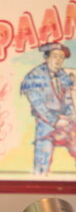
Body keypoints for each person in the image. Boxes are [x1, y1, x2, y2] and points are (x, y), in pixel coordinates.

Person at [20, 42, 75, 175]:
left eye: (61, 57)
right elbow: (38, 105)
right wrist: (55, 121)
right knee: (43, 155)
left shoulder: (63, 76)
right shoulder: (34, 77)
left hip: (65, 120)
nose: (58, 60)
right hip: (46, 122)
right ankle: (40, 177)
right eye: (55, 56)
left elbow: (68, 99)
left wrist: (70, 116)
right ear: (46, 57)